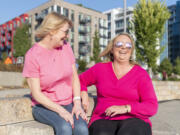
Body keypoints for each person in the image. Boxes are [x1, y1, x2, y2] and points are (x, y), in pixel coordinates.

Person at [22, 12, 88, 135]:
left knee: (82, 128)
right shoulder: (32, 55)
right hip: (44, 106)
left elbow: (74, 77)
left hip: (68, 102)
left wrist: (77, 103)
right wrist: (60, 111)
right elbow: (36, 94)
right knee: (64, 127)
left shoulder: (66, 47)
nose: (67, 36)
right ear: (52, 31)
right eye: (65, 32)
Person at [79, 33, 158, 135]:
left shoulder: (141, 74)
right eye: (119, 44)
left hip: (134, 119)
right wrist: (83, 92)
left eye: (128, 45)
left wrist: (126, 108)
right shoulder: (100, 69)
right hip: (104, 118)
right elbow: (78, 81)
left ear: (131, 50)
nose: (124, 47)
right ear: (112, 49)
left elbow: (151, 106)